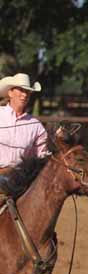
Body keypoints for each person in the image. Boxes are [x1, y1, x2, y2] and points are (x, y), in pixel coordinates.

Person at [0, 73, 48, 202]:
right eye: (21, 90)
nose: (24, 94)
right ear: (10, 93)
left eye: (27, 91)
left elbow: (42, 156)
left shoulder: (36, 126)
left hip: (20, 179)